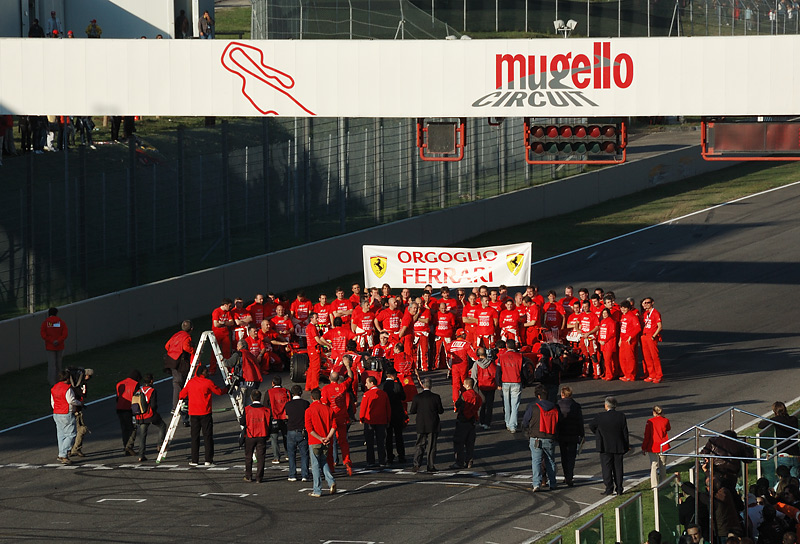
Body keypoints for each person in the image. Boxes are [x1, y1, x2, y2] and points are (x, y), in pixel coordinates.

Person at [179, 365, 225, 466]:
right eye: (206, 372)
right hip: (205, 413)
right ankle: (208, 459)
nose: (208, 373)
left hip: (194, 413)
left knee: (195, 437)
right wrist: (227, 389)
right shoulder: (208, 382)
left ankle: (194, 460)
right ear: (202, 373)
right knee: (207, 437)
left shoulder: (191, 382)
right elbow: (219, 392)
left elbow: (181, 394)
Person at [521, 385, 561, 492]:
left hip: (536, 438)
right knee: (550, 461)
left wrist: (527, 431)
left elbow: (525, 422)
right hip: (550, 437)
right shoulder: (555, 408)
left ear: (538, 396)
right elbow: (559, 422)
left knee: (536, 461)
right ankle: (553, 482)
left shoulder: (533, 408)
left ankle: (536, 484)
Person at [589, 395, 630, 496]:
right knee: (618, 468)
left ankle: (609, 488)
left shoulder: (600, 416)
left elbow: (591, 426)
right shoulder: (621, 416)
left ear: (606, 405)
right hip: (618, 445)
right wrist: (626, 445)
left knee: (606, 468)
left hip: (604, 445)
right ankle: (619, 488)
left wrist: (598, 432)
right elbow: (625, 432)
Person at [305, 388, 336, 497]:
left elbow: (309, 429)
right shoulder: (328, 409)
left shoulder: (309, 410)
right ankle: (331, 481)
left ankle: (317, 489)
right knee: (324, 461)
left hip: (314, 441)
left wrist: (320, 438)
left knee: (315, 465)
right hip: (326, 440)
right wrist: (327, 437)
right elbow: (334, 426)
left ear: (312, 397)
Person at [409, 377, 444, 473]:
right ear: (431, 386)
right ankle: (430, 465)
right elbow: (441, 411)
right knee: (432, 446)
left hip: (421, 424)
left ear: (423, 385)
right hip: (433, 424)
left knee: (420, 445)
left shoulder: (417, 397)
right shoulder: (436, 397)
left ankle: (416, 464)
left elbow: (412, 411)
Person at [758, 401, 800, 479]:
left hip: (784, 455)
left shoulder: (777, 420)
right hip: (795, 454)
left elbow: (761, 425)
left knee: (784, 479)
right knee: (795, 479)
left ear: (775, 412)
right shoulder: (793, 419)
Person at [164, 320, 194, 425]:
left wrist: (173, 351)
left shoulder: (176, 335)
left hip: (171, 361)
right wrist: (192, 351)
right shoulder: (187, 337)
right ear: (191, 329)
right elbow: (186, 347)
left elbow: (167, 345)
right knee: (180, 384)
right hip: (180, 363)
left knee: (179, 384)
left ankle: (183, 415)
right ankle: (177, 408)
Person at [134, 374, 167, 463]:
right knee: (162, 426)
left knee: (142, 435)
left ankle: (141, 455)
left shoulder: (139, 390)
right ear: (151, 381)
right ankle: (160, 444)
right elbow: (153, 405)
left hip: (140, 416)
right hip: (150, 414)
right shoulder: (152, 391)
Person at [51, 370, 82, 464]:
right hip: (66, 412)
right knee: (71, 434)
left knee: (61, 435)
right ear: (68, 379)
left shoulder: (54, 387)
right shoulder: (67, 388)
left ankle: (62, 454)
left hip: (56, 413)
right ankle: (63, 454)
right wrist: (79, 403)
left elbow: (52, 402)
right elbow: (71, 400)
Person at [360, 375, 391, 467]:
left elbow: (363, 408)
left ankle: (371, 461)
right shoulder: (383, 394)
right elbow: (388, 408)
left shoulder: (367, 394)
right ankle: (382, 460)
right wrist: (388, 419)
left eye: (367, 382)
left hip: (370, 421)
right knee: (381, 442)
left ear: (371, 383)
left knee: (369, 442)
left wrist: (361, 418)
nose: (366, 384)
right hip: (381, 420)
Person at [557, 385, 584, 487]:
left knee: (564, 456)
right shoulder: (576, 405)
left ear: (562, 394)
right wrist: (582, 434)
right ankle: (570, 475)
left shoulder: (558, 405)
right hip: (573, 433)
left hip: (562, 433)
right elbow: (580, 421)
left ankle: (566, 475)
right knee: (571, 456)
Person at [452, 377, 482, 469]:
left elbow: (458, 404)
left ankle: (459, 462)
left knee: (459, 442)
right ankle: (469, 461)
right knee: (470, 443)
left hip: (463, 420)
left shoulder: (465, 395)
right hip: (472, 420)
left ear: (467, 385)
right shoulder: (477, 396)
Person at [242, 390, 270, 483]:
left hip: (250, 435)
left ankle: (248, 475)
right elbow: (269, 423)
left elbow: (242, 422)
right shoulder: (266, 410)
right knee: (261, 457)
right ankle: (259, 477)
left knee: (248, 456)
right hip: (262, 435)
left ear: (251, 398)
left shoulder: (247, 409)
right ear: (260, 398)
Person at [497, 338, 524, 433]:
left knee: (506, 404)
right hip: (516, 381)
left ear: (506, 346)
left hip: (505, 382)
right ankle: (512, 425)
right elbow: (523, 372)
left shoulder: (502, 357)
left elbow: (498, 372)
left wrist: (498, 383)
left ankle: (508, 423)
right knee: (515, 405)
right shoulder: (520, 357)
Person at [285, 385, 310, 482]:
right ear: (301, 393)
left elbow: (286, 416)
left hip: (291, 430)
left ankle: (292, 474)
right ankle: (305, 474)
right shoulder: (305, 403)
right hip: (302, 430)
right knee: (304, 454)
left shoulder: (288, 404)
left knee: (291, 454)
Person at [642, 405, 671, 488]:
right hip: (663, 445)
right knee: (663, 465)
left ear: (654, 412)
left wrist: (644, 447)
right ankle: (663, 483)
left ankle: (654, 485)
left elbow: (647, 435)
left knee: (654, 465)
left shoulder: (650, 421)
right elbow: (668, 428)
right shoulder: (665, 420)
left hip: (653, 446)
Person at [67, 367, 93, 458]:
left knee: (70, 432)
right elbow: (83, 394)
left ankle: (69, 449)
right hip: (76, 410)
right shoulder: (81, 385)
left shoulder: (71, 385)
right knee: (81, 430)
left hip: (68, 410)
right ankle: (75, 449)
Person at [382, 370, 407, 465]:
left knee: (388, 437)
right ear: (392, 375)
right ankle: (401, 456)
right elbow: (403, 397)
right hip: (397, 414)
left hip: (386, 414)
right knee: (398, 436)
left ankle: (389, 457)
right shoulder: (397, 385)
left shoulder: (382, 386)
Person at [116, 369, 142, 456]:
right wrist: (137, 412)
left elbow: (117, 397)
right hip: (129, 409)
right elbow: (136, 399)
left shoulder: (120, 383)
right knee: (133, 428)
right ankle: (129, 446)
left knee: (124, 429)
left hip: (119, 409)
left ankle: (126, 447)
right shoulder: (135, 384)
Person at [471, 347, 497, 429]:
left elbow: (474, 377)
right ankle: (487, 423)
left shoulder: (476, 364)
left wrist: (473, 388)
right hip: (491, 386)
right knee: (489, 405)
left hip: (481, 386)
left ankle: (481, 421)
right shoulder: (491, 363)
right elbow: (495, 374)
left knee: (482, 404)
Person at [41, 307, 68, 385]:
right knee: (59, 364)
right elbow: (65, 334)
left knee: (52, 365)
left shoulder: (45, 323)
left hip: (50, 346)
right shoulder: (61, 322)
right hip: (60, 346)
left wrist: (51, 341)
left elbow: (43, 334)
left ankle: (52, 381)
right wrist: (58, 340)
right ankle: (60, 379)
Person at [267, 375, 291, 465]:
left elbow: (266, 405)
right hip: (285, 417)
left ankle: (276, 457)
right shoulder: (287, 391)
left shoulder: (269, 392)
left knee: (274, 438)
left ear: (273, 383)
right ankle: (288, 454)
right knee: (286, 436)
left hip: (274, 417)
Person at [641, 297, 663, 383]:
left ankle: (659, 375)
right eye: (644, 303)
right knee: (647, 357)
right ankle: (651, 374)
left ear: (652, 303)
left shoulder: (656, 313)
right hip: (645, 335)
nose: (645, 304)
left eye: (647, 302)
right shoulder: (646, 313)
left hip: (651, 336)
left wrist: (654, 336)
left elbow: (660, 326)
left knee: (654, 356)